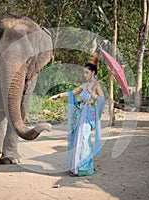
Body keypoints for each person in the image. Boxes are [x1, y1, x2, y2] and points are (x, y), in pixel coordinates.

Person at [49, 41, 105, 176]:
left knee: (84, 139)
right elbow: (72, 93)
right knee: (77, 139)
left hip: (89, 115)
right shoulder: (84, 85)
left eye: (86, 72)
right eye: (84, 72)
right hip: (82, 114)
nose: (84, 75)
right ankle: (75, 167)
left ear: (92, 73)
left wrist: (93, 94)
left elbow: (101, 100)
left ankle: (84, 167)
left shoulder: (98, 85)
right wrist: (57, 96)